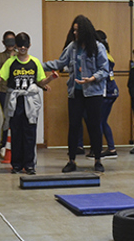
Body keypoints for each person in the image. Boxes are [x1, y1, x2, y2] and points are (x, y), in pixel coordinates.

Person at [43, 15, 111, 173]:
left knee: (94, 126)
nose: (74, 33)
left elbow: (104, 69)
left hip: (93, 93)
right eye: (73, 30)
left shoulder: (98, 47)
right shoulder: (72, 47)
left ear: (85, 31)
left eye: (77, 30)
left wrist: (92, 78)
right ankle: (71, 160)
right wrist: (37, 65)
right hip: (76, 93)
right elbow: (60, 63)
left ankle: (98, 160)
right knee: (74, 126)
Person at [0, 32, 56, 175]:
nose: (23, 48)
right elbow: (1, 78)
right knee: (16, 132)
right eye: (20, 45)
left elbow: (40, 81)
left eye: (25, 45)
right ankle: (16, 164)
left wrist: (50, 79)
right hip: (15, 101)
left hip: (30, 102)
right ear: (16, 46)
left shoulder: (34, 62)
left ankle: (29, 165)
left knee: (30, 132)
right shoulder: (10, 62)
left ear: (29, 45)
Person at [96, 29, 119, 158]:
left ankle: (103, 149)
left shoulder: (102, 55)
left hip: (107, 92)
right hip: (112, 91)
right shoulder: (108, 54)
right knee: (102, 121)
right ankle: (110, 148)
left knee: (100, 121)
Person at [0, 31, 18, 157]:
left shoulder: (20, 55)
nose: (10, 44)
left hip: (17, 90)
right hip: (4, 90)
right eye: (7, 41)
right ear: (3, 42)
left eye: (12, 41)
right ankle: (4, 145)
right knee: (7, 117)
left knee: (17, 117)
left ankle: (16, 144)